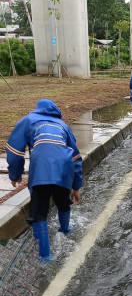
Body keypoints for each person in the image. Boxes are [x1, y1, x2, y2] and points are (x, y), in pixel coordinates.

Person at [6, 99, 82, 263]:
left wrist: (15, 175)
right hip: (64, 169)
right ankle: (65, 230)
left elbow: (14, 151)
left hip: (41, 170)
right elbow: (76, 157)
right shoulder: (63, 125)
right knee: (63, 202)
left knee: (39, 213)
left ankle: (45, 257)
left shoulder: (28, 121)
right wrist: (76, 187)